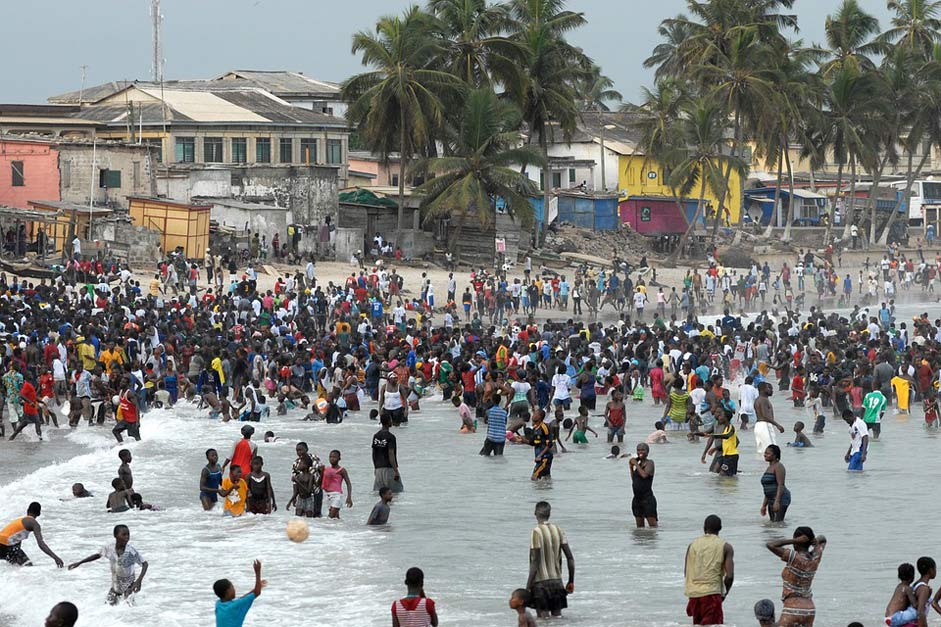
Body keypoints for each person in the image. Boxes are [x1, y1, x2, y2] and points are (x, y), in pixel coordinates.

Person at [68, 524, 148, 605]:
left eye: (128, 534)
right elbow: (97, 555)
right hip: (115, 587)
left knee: (128, 611)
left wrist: (139, 581)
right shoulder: (109, 548)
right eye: (123, 535)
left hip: (129, 587)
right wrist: (80, 562)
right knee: (107, 609)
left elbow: (145, 564)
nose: (127, 537)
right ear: (115, 536)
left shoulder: (131, 551)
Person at [766, 527, 826, 625]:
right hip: (810, 609)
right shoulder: (816, 556)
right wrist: (813, 541)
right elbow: (823, 539)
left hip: (792, 608)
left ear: (798, 541)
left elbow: (770, 544)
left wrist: (793, 540)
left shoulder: (794, 557)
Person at [527, 501, 575, 619]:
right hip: (557, 582)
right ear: (549, 514)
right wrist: (570, 581)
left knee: (543, 619)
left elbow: (535, 562)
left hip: (541, 583)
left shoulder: (536, 532)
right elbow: (570, 558)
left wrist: (528, 586)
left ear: (535, 513)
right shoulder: (558, 529)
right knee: (557, 618)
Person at [684, 514, 734, 626]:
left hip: (694, 595)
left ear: (704, 528)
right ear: (720, 528)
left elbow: (686, 572)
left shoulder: (692, 545)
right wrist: (724, 595)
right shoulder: (726, 547)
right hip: (711, 594)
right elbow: (729, 576)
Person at [0, 502, 63, 567]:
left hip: (2, 543)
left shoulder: (18, 521)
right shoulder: (34, 524)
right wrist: (55, 557)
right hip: (7, 545)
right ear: (39, 513)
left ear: (27, 511)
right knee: (28, 566)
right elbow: (41, 544)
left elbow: (14, 538)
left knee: (14, 566)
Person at [214, 560, 266, 627]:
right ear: (227, 592)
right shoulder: (235, 606)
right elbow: (257, 593)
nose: (234, 589)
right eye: (232, 587)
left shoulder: (219, 604)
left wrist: (257, 587)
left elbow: (241, 599)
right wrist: (258, 572)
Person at [372, 413, 404, 492]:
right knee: (396, 492)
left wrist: (375, 468)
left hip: (378, 469)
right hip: (389, 469)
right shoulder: (391, 437)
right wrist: (396, 471)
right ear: (389, 422)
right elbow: (391, 454)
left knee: (380, 493)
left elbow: (373, 454)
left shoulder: (376, 436)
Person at [629, 442, 658, 527]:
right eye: (638, 450)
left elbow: (644, 475)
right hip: (637, 500)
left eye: (642, 450)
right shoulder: (639, 464)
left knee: (653, 528)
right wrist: (631, 467)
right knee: (640, 530)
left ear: (647, 452)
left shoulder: (650, 463)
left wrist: (636, 464)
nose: (640, 452)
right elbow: (634, 480)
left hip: (647, 499)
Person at [760, 445, 791, 522]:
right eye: (765, 453)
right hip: (771, 499)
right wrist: (764, 505)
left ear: (775, 455)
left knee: (778, 523)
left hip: (781, 498)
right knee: (772, 523)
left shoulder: (779, 467)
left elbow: (781, 485)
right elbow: (768, 489)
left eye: (768, 453)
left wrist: (777, 501)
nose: (765, 455)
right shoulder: (769, 467)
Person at [755, 382, 786, 457]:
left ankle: (762, 467)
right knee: (771, 449)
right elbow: (765, 415)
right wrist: (777, 425)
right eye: (768, 388)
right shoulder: (763, 400)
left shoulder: (759, 399)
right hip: (764, 425)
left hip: (759, 425)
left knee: (763, 450)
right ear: (762, 390)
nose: (770, 390)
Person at [885, 562, 918, 627]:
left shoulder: (899, 586)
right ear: (912, 577)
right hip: (895, 618)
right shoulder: (908, 589)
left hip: (888, 617)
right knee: (916, 611)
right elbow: (915, 605)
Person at [323, 449, 353, 518]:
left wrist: (349, 497)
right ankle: (342, 528)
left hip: (337, 496)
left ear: (339, 458)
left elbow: (348, 483)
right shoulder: (327, 469)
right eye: (330, 457)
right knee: (335, 518)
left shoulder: (341, 470)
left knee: (330, 517)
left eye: (334, 457)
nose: (332, 459)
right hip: (328, 496)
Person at [526, 409, 554, 481]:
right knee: (546, 478)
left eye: (535, 414)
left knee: (534, 477)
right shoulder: (535, 428)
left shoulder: (545, 427)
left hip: (545, 458)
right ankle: (546, 490)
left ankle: (536, 491)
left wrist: (540, 455)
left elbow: (549, 444)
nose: (533, 415)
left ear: (540, 417)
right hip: (540, 458)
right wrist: (521, 440)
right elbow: (533, 443)